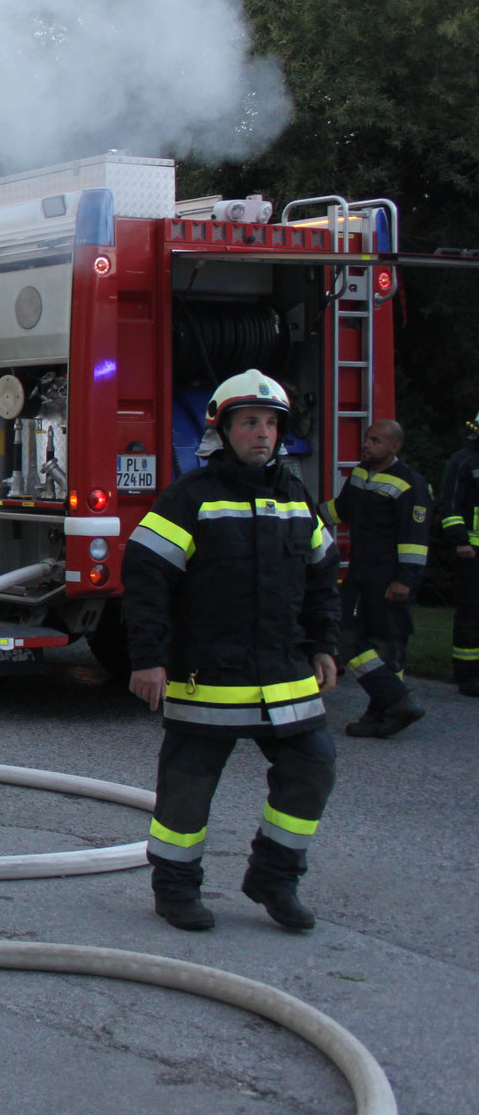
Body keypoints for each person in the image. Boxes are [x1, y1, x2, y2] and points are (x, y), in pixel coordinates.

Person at [123, 370, 340, 933]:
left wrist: (324, 645)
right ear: (222, 431)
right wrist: (149, 658)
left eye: (270, 423)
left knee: (313, 765)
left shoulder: (296, 497)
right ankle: (175, 888)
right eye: (249, 423)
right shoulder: (190, 497)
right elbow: (146, 577)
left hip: (284, 672)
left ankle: (275, 878)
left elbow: (322, 576)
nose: (262, 433)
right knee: (188, 784)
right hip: (208, 673)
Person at [324, 420, 432, 737]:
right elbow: (341, 510)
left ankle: (382, 714)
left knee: (388, 645)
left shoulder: (410, 484)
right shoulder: (361, 473)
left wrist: (405, 580)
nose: (367, 445)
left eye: (376, 441)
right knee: (344, 635)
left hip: (390, 579)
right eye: (367, 438)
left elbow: (415, 539)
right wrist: (301, 514)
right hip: (360, 574)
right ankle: (396, 703)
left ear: (395, 447)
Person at [440, 411, 479, 696]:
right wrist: (460, 540)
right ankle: (468, 675)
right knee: (471, 611)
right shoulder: (463, 461)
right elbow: (450, 504)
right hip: (472, 551)